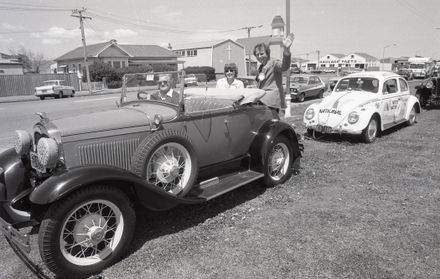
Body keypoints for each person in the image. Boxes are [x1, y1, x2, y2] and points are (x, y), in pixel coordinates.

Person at [253, 33, 294, 113]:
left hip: (270, 101)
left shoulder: (274, 63)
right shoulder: (261, 67)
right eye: (257, 55)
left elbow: (284, 66)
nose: (259, 56)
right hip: (262, 99)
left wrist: (286, 50)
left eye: (262, 54)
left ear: (267, 53)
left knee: (272, 123)